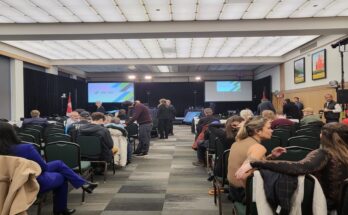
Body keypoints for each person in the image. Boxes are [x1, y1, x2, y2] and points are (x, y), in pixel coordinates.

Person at [235, 123, 348, 211]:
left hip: (325, 205)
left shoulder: (324, 153)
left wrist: (255, 163)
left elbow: (299, 167)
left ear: (322, 136)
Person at [0, 122, 98, 215]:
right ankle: (62, 207)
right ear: (12, 134)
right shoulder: (25, 148)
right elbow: (42, 168)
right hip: (30, 182)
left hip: (4, 184)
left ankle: (83, 184)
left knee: (59, 164)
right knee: (62, 175)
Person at [227, 116, 284, 202]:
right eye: (269, 128)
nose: (272, 130)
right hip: (245, 196)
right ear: (258, 131)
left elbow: (252, 164)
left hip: (233, 191)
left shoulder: (237, 143)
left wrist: (271, 156)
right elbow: (243, 174)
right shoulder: (258, 148)